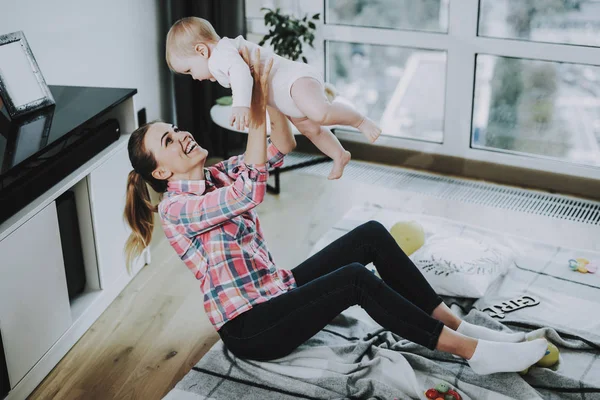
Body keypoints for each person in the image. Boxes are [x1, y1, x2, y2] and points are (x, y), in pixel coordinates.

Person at [124, 46, 548, 376]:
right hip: (251, 328)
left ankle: (454, 324)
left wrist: (267, 89)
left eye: (175, 128)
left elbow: (282, 147)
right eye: (168, 140)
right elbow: (250, 194)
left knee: (371, 234)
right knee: (353, 281)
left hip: (277, 291)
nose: (180, 135)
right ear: (161, 171)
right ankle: (473, 353)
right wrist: (252, 103)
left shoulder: (218, 175)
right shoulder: (178, 209)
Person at [165, 16, 382, 180]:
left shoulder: (222, 53)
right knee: (311, 129)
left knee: (320, 113)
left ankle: (361, 121)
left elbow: (241, 74)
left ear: (201, 50)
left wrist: (240, 105)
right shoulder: (221, 60)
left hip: (295, 80)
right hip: (285, 98)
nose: (193, 77)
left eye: (189, 70)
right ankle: (339, 154)